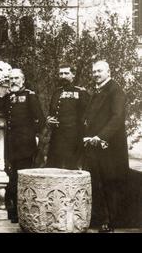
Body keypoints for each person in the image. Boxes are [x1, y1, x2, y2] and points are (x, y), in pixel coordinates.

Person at [0, 69, 45, 223]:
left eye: (16, 78)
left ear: (23, 79)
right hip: (11, 145)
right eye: (11, 78)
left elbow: (40, 119)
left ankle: (24, 212)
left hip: (25, 145)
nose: (13, 81)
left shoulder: (30, 96)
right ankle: (15, 212)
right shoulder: (9, 96)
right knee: (13, 176)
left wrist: (33, 136)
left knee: (23, 178)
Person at [83, 61, 129, 233]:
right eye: (94, 71)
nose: (96, 74)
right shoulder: (98, 90)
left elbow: (117, 118)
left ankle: (111, 223)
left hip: (110, 146)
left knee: (110, 182)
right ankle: (101, 219)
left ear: (108, 72)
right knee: (98, 182)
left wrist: (100, 136)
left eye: (99, 71)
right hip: (94, 145)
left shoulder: (115, 90)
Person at [46, 64, 89, 169]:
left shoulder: (80, 92)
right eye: (61, 74)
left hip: (73, 139)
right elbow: (51, 112)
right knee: (53, 167)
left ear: (73, 75)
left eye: (66, 73)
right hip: (56, 137)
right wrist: (49, 119)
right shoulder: (57, 92)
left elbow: (86, 114)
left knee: (70, 168)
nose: (63, 76)